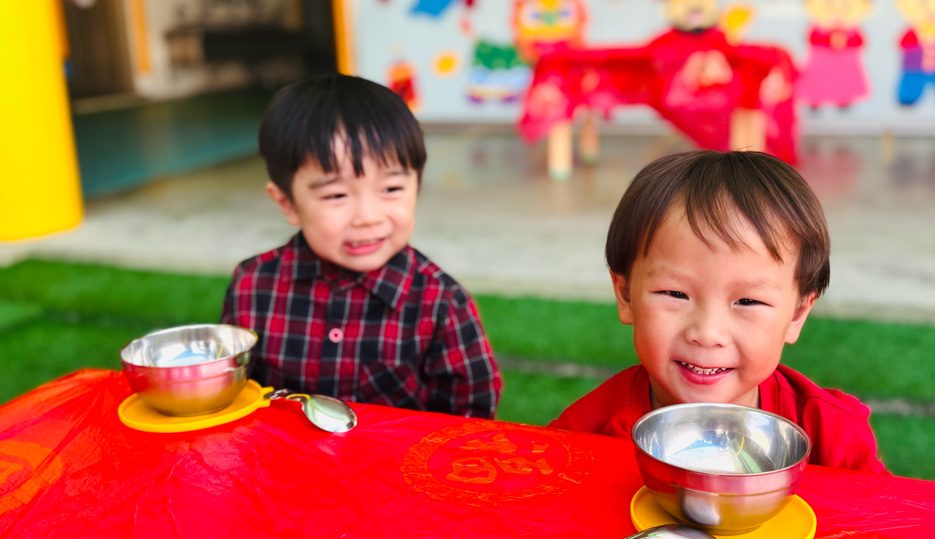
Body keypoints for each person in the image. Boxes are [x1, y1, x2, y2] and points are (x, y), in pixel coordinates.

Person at [550, 150, 886, 473]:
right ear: (625, 295)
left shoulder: (833, 437)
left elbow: (883, 511)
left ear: (797, 314)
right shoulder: (582, 436)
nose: (708, 333)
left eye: (748, 301)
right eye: (675, 294)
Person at [222, 73, 502, 419]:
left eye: (391, 189)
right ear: (287, 203)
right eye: (336, 195)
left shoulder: (441, 303)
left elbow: (471, 420)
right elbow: (236, 398)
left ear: (416, 186)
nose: (368, 217)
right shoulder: (252, 286)